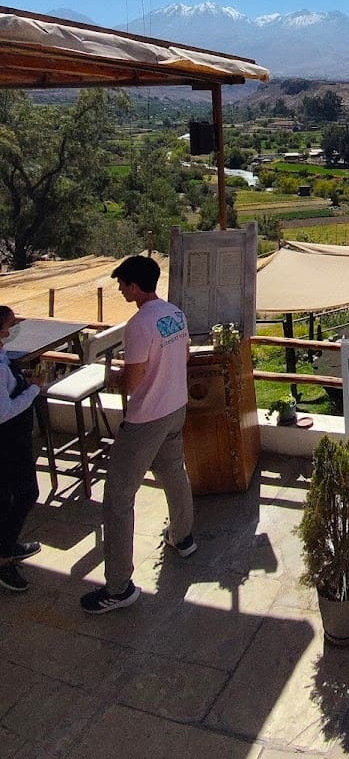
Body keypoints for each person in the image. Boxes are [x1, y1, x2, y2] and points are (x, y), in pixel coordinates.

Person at [80, 255, 196, 614]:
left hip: (147, 418)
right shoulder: (175, 313)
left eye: (122, 284)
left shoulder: (139, 324)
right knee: (173, 471)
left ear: (134, 286)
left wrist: (116, 378)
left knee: (118, 498)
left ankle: (118, 587)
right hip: (176, 406)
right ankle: (183, 537)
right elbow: (184, 357)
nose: (119, 289)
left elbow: (133, 382)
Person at [0, 305, 43, 593]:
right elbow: (3, 411)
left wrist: (21, 379)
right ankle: (4, 558)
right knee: (26, 493)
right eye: (10, 325)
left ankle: (7, 544)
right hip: (9, 441)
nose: (13, 330)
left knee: (6, 496)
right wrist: (33, 389)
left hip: (12, 439)